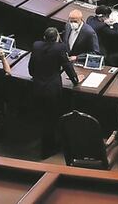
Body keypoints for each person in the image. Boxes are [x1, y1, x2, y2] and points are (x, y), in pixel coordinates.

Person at [28, 27, 79, 157]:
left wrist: (34, 75)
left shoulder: (36, 45)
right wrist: (75, 80)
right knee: (51, 119)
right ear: (57, 37)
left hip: (37, 87)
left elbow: (31, 67)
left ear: (44, 37)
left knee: (45, 118)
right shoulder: (60, 48)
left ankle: (47, 143)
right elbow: (67, 65)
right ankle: (48, 149)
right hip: (51, 89)